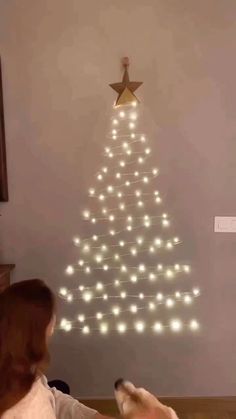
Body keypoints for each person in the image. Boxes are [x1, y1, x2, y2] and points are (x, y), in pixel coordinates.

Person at [0, 279, 176, 419]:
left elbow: (52, 397)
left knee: (60, 387)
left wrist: (98, 417)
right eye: (50, 320)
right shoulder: (22, 406)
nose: (54, 325)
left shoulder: (24, 370)